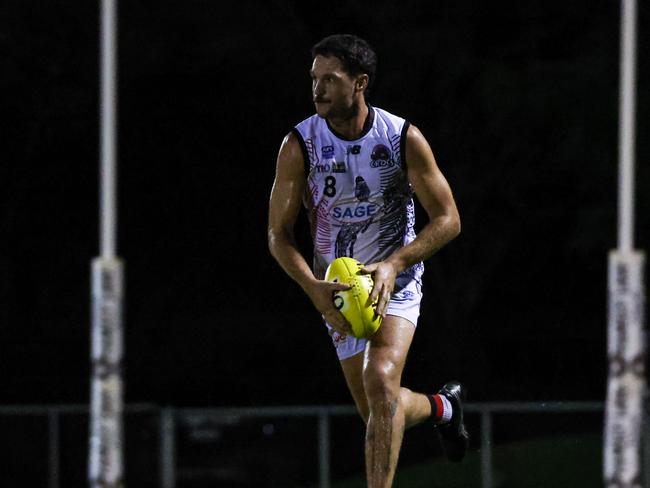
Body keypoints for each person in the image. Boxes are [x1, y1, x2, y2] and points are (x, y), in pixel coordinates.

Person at [268, 34, 468, 487]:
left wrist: (395, 264)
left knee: (380, 380)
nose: (317, 89)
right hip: (336, 290)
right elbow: (278, 235)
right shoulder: (300, 144)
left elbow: (449, 218)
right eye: (314, 78)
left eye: (330, 80)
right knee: (380, 408)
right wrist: (314, 289)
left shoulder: (401, 138)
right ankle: (443, 407)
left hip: (395, 279)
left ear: (360, 83)